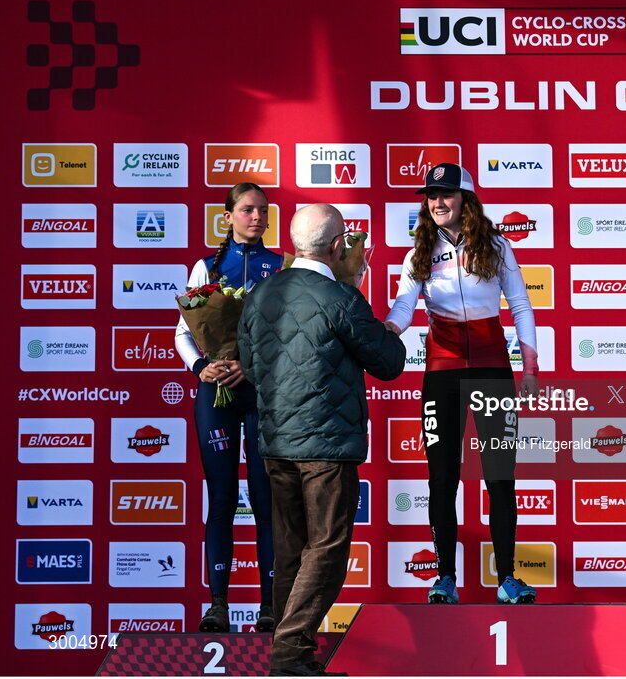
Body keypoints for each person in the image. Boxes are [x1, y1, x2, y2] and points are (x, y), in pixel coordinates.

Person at [238, 203, 405, 676]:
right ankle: (290, 652)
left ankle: (288, 654)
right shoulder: (340, 298)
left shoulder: (260, 293)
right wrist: (376, 313)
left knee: (291, 546)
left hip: (274, 443)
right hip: (327, 447)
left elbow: (249, 366)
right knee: (327, 548)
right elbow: (390, 362)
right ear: (337, 247)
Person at [385, 163, 539, 604]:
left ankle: (507, 578)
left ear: (466, 199)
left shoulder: (496, 245)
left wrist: (529, 365)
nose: (437, 202)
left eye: (447, 194)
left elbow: (522, 306)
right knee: (442, 477)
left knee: (499, 477)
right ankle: (445, 578)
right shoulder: (418, 252)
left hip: (492, 371)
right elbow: (403, 305)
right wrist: (390, 330)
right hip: (442, 373)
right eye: (431, 195)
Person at [175, 182, 282, 632]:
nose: (256, 217)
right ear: (229, 215)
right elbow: (182, 331)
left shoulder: (281, 266)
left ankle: (270, 608)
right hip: (216, 392)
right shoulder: (207, 265)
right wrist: (202, 365)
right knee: (220, 498)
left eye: (262, 210)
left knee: (265, 499)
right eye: (247, 210)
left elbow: (287, 335)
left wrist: (252, 366)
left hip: (262, 393)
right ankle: (217, 606)